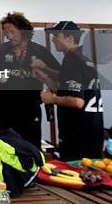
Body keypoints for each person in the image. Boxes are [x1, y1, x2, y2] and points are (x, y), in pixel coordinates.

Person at [0, 13, 60, 148]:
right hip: (1, 109)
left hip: (29, 111)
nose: (8, 35)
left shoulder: (40, 51)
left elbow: (58, 76)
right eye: (6, 32)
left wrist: (46, 72)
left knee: (29, 151)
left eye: (12, 31)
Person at [41, 21, 104, 161]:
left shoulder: (71, 60)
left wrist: (52, 99)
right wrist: (45, 75)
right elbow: (67, 88)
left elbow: (77, 101)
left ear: (69, 38)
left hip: (77, 137)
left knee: (76, 178)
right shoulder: (83, 59)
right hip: (93, 133)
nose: (52, 39)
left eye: (56, 35)